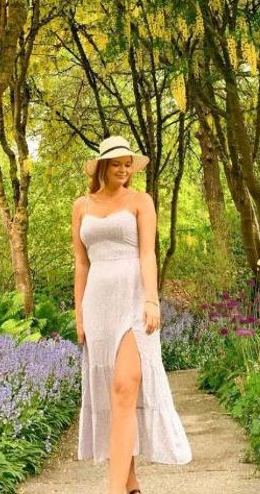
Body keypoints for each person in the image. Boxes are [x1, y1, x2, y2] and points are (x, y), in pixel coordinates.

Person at [72, 135, 192, 494]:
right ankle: (131, 482)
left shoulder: (141, 201)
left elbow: (147, 255)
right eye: (117, 164)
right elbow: (80, 263)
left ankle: (112, 490)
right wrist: (78, 314)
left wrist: (152, 301)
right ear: (102, 167)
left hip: (132, 299)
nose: (124, 170)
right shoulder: (81, 206)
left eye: (128, 164)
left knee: (126, 387)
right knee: (112, 396)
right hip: (97, 303)